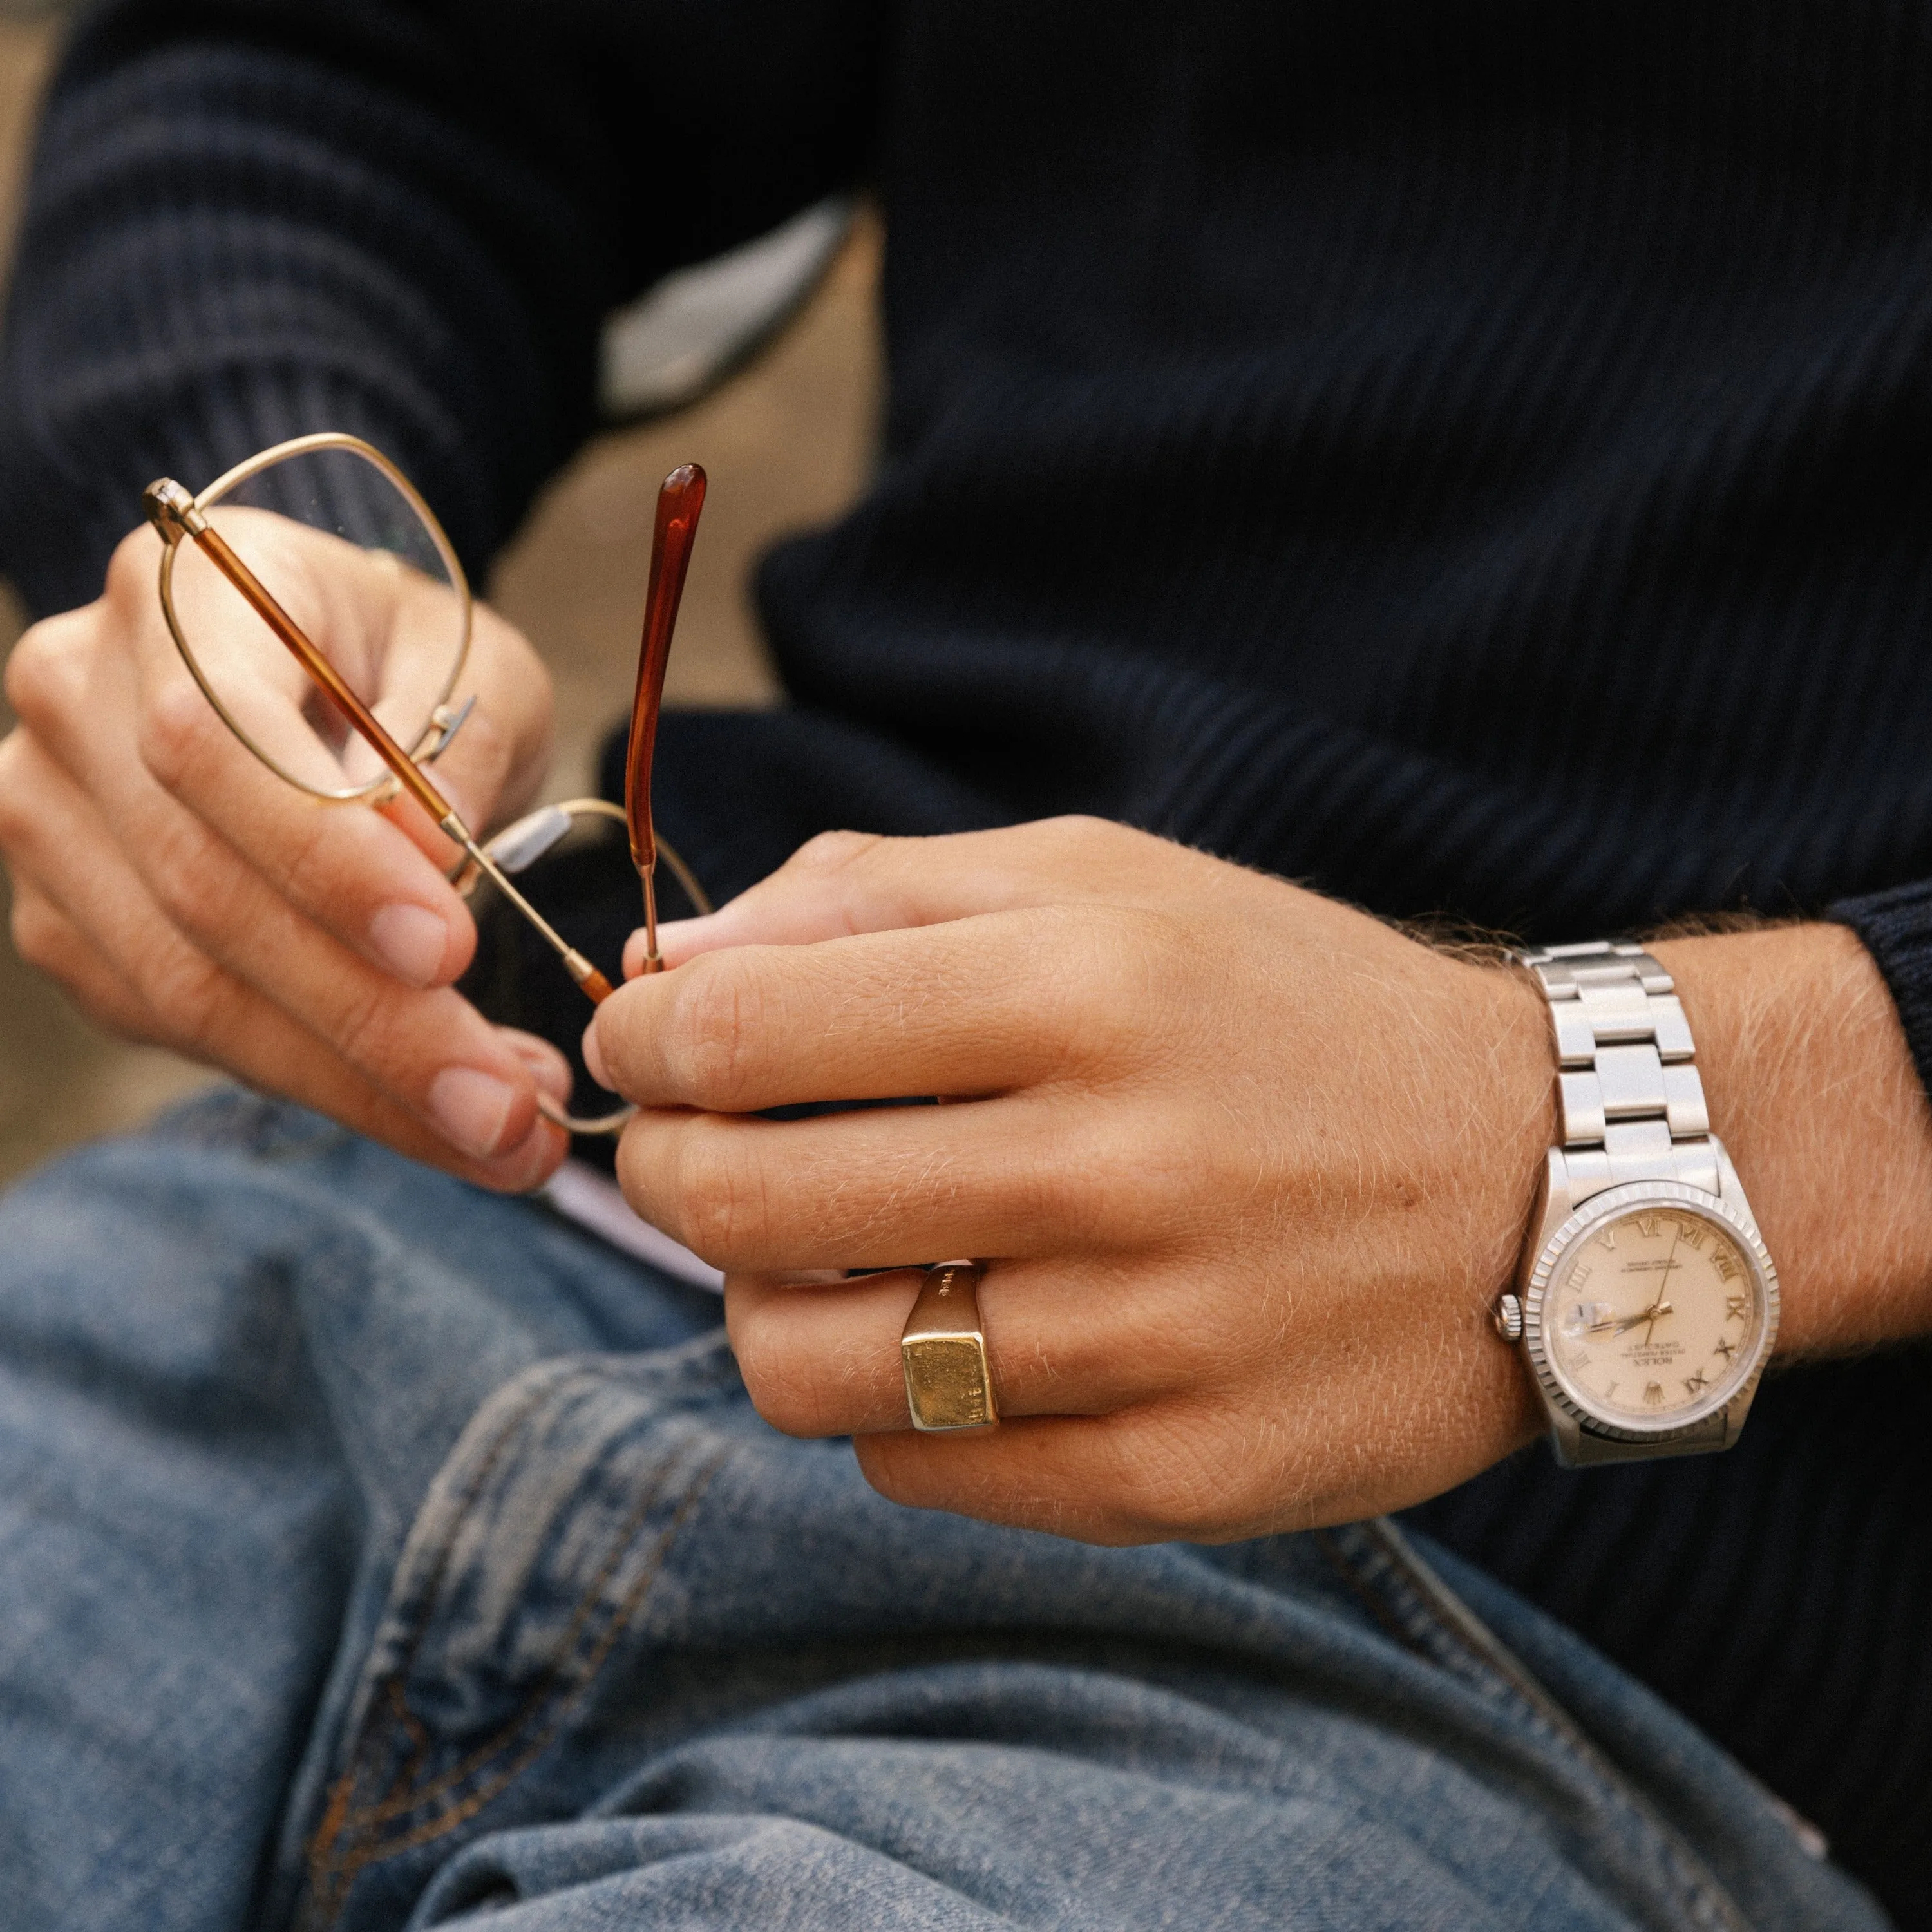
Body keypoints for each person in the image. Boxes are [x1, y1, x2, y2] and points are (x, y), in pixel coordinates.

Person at [0, 1, 1926, 1926]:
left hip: (1575, 1691)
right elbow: (368, 68)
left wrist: (1646, 1133)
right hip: (366, 1269)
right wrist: (259, 598)